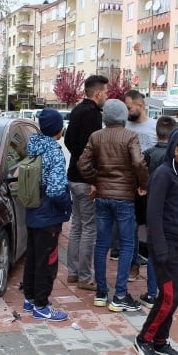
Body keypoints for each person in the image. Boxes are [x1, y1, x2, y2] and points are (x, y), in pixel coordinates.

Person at [134, 127, 178, 355]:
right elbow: (153, 214)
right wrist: (160, 249)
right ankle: (144, 339)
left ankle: (161, 340)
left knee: (170, 297)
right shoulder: (163, 174)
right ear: (176, 150)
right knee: (170, 297)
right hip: (164, 247)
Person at [78, 99, 149, 312]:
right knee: (127, 244)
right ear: (123, 116)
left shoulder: (96, 136)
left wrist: (96, 180)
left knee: (102, 244)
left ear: (105, 117)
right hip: (125, 196)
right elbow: (138, 162)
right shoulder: (130, 136)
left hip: (102, 196)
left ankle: (101, 292)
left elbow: (82, 163)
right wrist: (142, 183)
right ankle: (120, 294)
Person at [21, 109, 73, 321]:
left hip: (33, 211)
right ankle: (41, 306)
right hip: (48, 215)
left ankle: (30, 298)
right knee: (47, 261)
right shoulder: (54, 151)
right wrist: (67, 206)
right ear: (58, 129)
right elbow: (56, 189)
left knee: (33, 257)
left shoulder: (34, 145)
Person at [64, 75, 109, 291]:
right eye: (106, 93)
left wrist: (77, 160)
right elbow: (93, 151)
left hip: (73, 175)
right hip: (85, 179)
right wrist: (93, 179)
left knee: (77, 226)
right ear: (98, 93)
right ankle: (84, 276)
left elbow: (68, 140)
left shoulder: (77, 110)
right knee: (89, 228)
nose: (106, 97)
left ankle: (72, 273)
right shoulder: (92, 115)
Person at [139, 116, 177, 309]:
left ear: (157, 133)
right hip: (171, 210)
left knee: (154, 249)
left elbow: (141, 174)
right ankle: (167, 290)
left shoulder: (148, 154)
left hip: (151, 207)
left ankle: (152, 292)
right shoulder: (175, 158)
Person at [124, 89, 158, 281]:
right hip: (130, 186)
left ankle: (153, 273)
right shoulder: (124, 126)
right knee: (132, 228)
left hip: (151, 186)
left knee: (152, 227)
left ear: (141, 106)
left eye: (129, 107)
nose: (127, 111)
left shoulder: (154, 127)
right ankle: (133, 265)